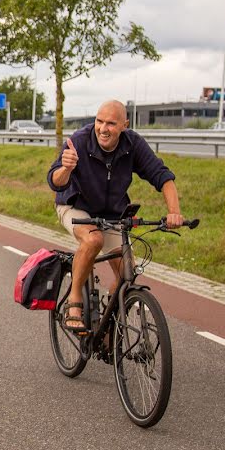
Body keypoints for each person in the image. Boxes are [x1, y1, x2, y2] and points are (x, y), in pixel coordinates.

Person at [47, 100, 183, 331]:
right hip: (75, 206)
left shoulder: (133, 144)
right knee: (93, 240)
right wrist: (66, 168)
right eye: (99, 121)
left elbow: (163, 177)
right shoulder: (79, 141)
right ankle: (75, 301)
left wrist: (174, 212)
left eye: (111, 123)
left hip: (112, 214)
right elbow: (55, 182)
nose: (103, 128)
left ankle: (109, 326)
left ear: (124, 125)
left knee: (126, 274)